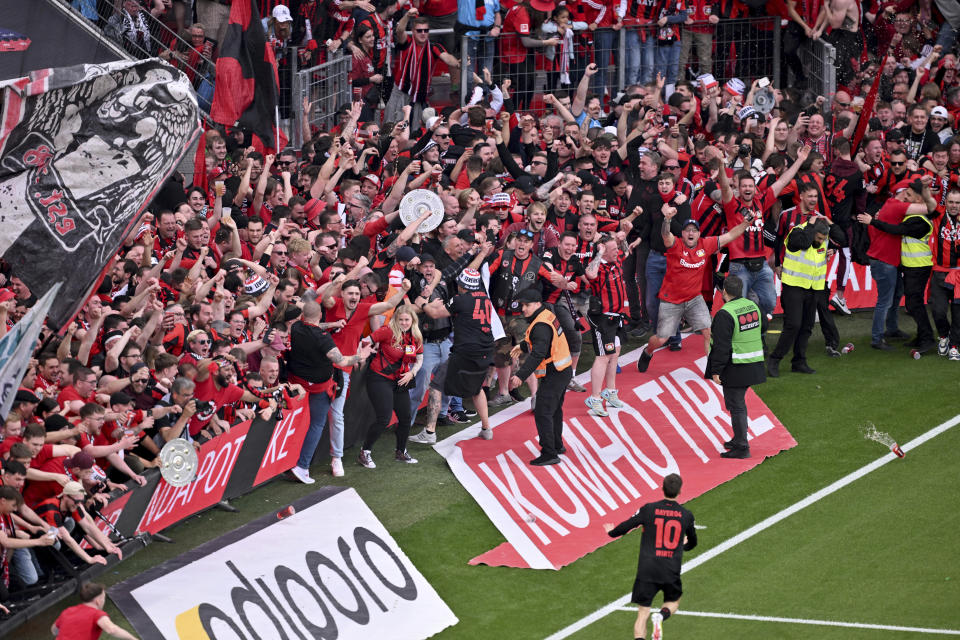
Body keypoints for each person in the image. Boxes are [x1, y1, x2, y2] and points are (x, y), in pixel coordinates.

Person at [636, 211, 750, 373]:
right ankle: (648, 352)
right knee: (662, 338)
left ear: (698, 233)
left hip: (694, 299)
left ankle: (712, 368)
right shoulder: (675, 244)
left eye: (694, 230)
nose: (691, 233)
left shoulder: (706, 244)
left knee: (708, 330)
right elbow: (665, 233)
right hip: (671, 300)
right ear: (682, 234)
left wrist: (746, 223)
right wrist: (667, 219)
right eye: (687, 230)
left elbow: (731, 235)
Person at [603, 473, 697, 640]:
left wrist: (611, 532)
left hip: (647, 569)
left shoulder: (648, 509)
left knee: (642, 613)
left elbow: (627, 526)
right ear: (680, 491)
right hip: (670, 568)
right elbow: (692, 543)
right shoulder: (686, 515)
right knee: (673, 601)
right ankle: (661, 616)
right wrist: (682, 545)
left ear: (662, 488)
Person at [286, 300, 371, 483]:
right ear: (320, 316)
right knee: (317, 424)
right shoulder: (323, 337)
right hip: (318, 387)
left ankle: (297, 465)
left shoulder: (297, 327)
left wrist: (332, 324)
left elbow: (313, 324)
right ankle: (302, 466)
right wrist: (361, 356)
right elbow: (341, 361)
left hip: (296, 382)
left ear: (303, 316)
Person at [413, 269, 496, 443]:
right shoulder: (484, 298)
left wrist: (422, 303)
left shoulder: (461, 299)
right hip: (486, 351)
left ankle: (429, 432)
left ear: (463, 285)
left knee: (436, 385)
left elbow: (435, 314)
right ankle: (487, 428)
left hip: (466, 352)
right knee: (476, 389)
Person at [858, 177, 937, 350]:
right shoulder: (899, 208)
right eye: (905, 193)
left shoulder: (901, 211)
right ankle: (880, 338)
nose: (906, 197)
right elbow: (931, 208)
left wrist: (873, 221)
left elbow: (900, 228)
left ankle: (920, 335)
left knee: (904, 300)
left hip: (913, 266)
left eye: (909, 194)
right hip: (896, 264)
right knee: (893, 300)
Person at [705, 277, 767, 459]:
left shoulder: (725, 314)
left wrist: (716, 371)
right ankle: (738, 438)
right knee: (737, 404)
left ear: (724, 292)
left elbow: (721, 346)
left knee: (737, 405)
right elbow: (764, 325)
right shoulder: (752, 305)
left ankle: (742, 446)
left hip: (736, 367)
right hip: (754, 363)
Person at [509, 289, 572, 465]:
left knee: (543, 411)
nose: (523, 309)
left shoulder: (540, 325)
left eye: (526, 305)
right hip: (562, 369)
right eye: (522, 305)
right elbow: (539, 341)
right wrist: (522, 345)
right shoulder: (546, 314)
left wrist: (520, 376)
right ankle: (557, 445)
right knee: (554, 410)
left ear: (537, 304)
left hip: (556, 372)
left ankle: (549, 453)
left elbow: (538, 353)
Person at [359, 300, 423, 468]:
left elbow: (419, 359)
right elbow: (365, 340)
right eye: (400, 319)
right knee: (384, 418)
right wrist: (365, 351)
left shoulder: (415, 336)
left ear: (412, 321)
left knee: (405, 417)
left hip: (401, 379)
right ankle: (365, 452)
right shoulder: (387, 331)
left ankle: (401, 451)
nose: (403, 323)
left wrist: (412, 373)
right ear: (396, 319)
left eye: (407, 320)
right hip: (379, 377)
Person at [768, 217, 833, 376]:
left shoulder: (822, 234)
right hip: (794, 286)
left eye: (823, 239)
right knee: (793, 325)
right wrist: (810, 226)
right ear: (812, 231)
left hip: (813, 287)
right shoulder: (797, 232)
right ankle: (775, 359)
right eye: (818, 238)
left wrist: (829, 223)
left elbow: (842, 237)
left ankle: (799, 361)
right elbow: (803, 243)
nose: (821, 242)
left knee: (807, 326)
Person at [52, 581, 139, 640]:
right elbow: (111, 629)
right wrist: (133, 639)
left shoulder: (68, 611)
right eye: (103, 598)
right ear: (98, 601)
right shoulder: (96, 614)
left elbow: (54, 630)